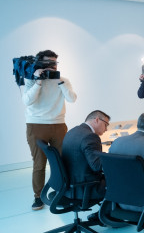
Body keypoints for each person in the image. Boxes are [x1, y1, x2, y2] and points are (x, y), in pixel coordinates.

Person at [22, 49, 77, 210]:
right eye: (47, 62)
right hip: (36, 125)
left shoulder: (63, 80)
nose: (51, 66)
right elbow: (27, 101)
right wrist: (38, 82)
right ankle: (38, 197)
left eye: (54, 63)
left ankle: (63, 191)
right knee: (39, 163)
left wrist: (60, 81)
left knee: (62, 161)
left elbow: (72, 98)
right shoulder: (30, 79)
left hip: (58, 124)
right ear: (40, 63)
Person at [61, 110, 110, 202]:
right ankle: (110, 210)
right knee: (120, 180)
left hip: (69, 186)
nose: (106, 129)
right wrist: (110, 157)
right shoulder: (90, 136)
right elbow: (97, 166)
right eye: (106, 125)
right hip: (85, 188)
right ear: (97, 120)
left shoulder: (72, 131)